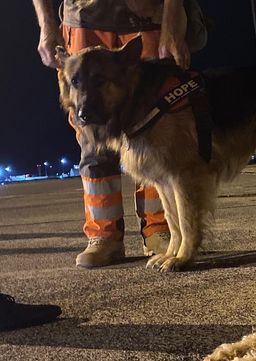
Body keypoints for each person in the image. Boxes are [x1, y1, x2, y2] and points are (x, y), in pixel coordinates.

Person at [32, 0, 207, 268]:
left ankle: (161, 229)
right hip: (83, 18)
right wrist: (47, 25)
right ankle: (104, 234)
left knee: (158, 130)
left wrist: (171, 20)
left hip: (147, 15)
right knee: (90, 132)